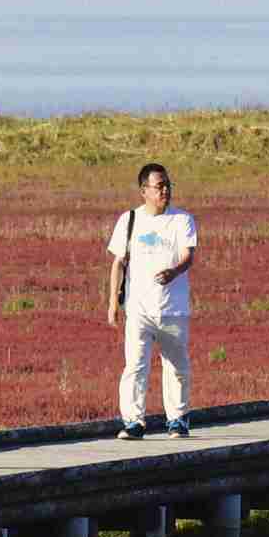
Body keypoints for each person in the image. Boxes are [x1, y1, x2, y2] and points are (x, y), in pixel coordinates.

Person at [105, 163, 197, 440]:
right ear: (144, 191)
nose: (165, 190)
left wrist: (174, 271)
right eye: (159, 186)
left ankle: (178, 420)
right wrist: (112, 303)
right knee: (135, 366)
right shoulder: (129, 220)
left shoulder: (182, 220)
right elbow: (118, 263)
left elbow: (188, 255)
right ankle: (134, 422)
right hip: (138, 309)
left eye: (168, 184)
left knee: (176, 366)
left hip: (172, 309)